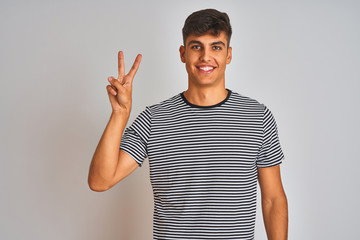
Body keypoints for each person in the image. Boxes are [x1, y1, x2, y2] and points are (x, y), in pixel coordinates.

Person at [88, 8, 288, 240]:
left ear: (228, 54)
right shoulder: (155, 119)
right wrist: (120, 114)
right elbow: (99, 181)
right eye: (196, 46)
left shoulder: (257, 117)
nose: (205, 57)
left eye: (216, 46)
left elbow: (273, 199)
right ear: (183, 53)